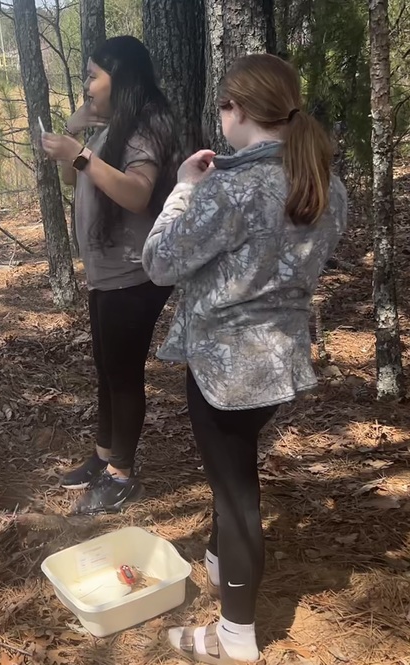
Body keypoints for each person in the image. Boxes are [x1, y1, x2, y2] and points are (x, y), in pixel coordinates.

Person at [142, 54, 346, 664]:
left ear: (236, 111)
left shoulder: (230, 188)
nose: (220, 120)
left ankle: (234, 636)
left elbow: (158, 262)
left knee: (237, 498)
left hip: (224, 369)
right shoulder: (326, 183)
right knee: (234, 481)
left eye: (221, 109)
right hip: (281, 363)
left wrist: (181, 188)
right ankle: (217, 562)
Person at [40, 35, 181, 514]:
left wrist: (80, 153)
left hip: (135, 271)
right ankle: (103, 457)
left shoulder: (146, 125)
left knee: (123, 375)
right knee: (106, 368)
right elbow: (72, 177)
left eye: (92, 76)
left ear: (120, 79)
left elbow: (138, 194)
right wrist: (75, 137)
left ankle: (122, 474)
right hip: (105, 271)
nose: (86, 85)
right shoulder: (109, 125)